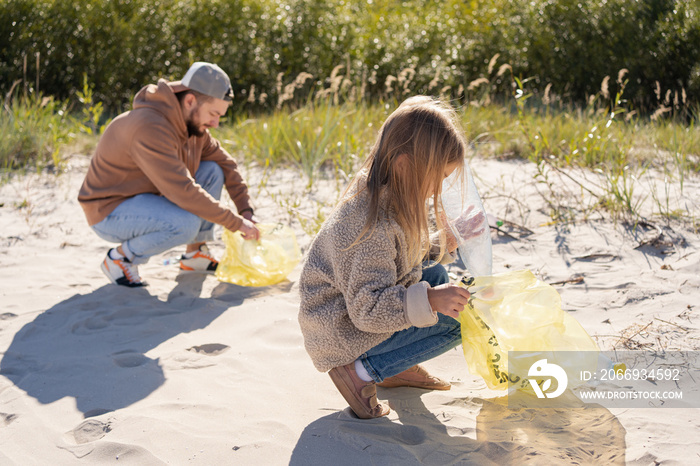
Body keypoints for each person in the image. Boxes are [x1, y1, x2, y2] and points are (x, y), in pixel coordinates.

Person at [298, 96, 475, 419]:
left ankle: (393, 365)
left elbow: (403, 258)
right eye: (437, 177)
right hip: (340, 332)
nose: (437, 189)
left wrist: (443, 244)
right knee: (459, 321)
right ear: (405, 165)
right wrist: (433, 301)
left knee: (433, 276)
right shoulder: (368, 225)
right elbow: (368, 309)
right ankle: (362, 371)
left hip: (353, 314)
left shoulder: (392, 194)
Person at [78, 62, 260, 287]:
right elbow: (182, 191)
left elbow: (226, 164)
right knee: (185, 224)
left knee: (212, 169)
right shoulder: (150, 127)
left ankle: (195, 255)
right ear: (190, 100)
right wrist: (237, 224)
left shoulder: (193, 125)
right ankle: (120, 259)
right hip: (109, 210)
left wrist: (246, 210)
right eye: (213, 114)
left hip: (147, 199)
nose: (215, 123)